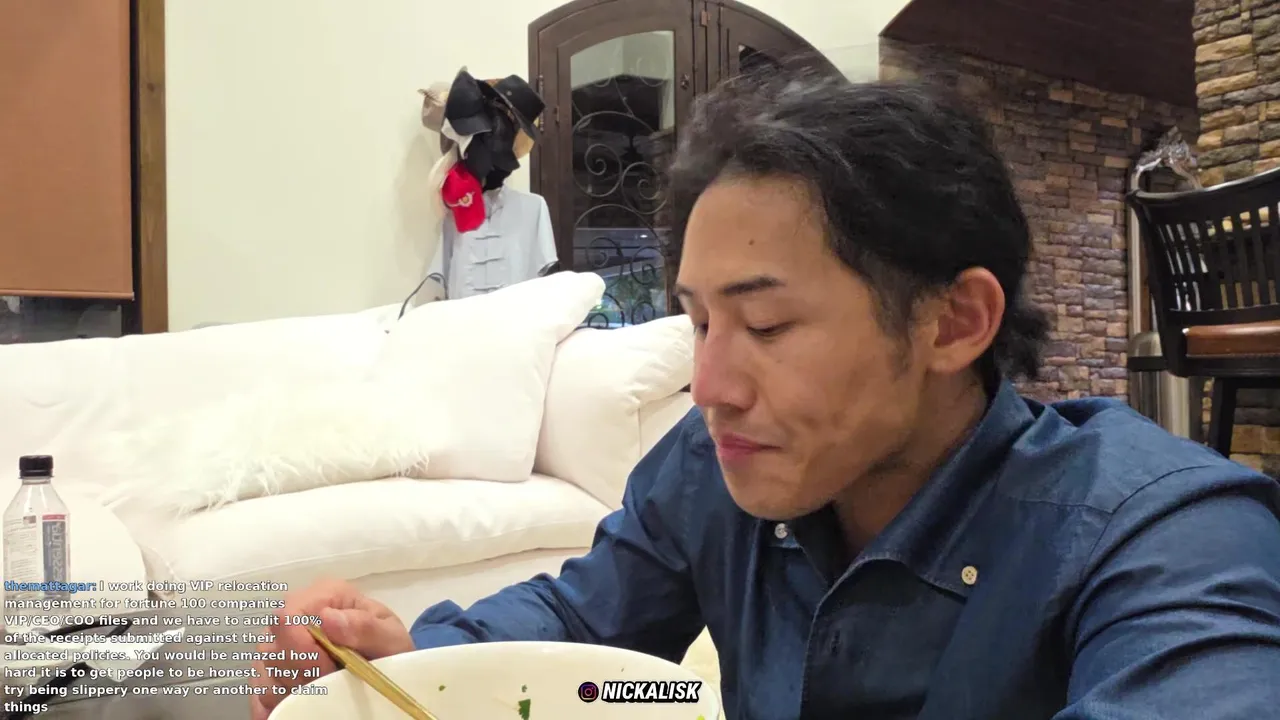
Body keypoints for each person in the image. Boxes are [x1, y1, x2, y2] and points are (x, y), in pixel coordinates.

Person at [250, 69, 1280, 719]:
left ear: (954, 322)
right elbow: (584, 625)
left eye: (769, 325)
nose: (709, 387)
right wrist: (412, 655)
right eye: (701, 322)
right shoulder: (714, 469)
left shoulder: (1164, 534)